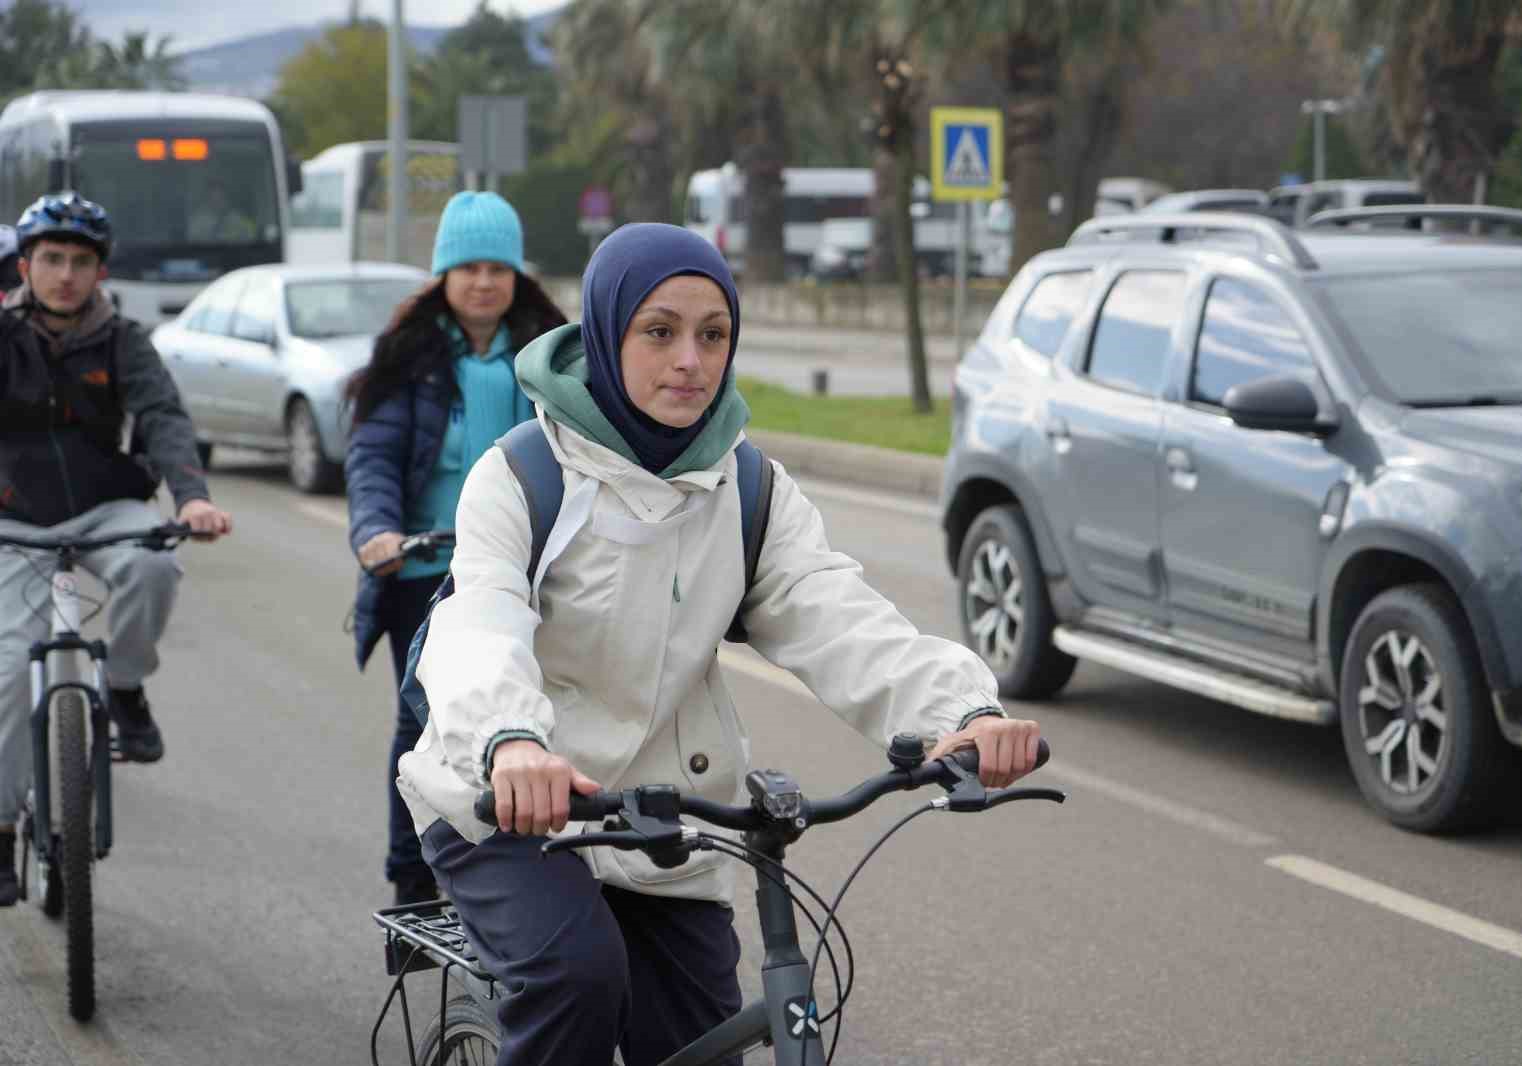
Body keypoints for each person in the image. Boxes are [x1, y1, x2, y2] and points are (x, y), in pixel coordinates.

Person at [395, 222, 1044, 1066]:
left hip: (667, 818)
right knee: (577, 980)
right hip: (513, 804)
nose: (690, 361)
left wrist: (962, 709)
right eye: (658, 332)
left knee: (705, 1040)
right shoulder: (524, 475)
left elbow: (835, 612)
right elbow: (480, 621)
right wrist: (509, 742)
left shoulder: (747, 486)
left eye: (713, 336)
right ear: (604, 331)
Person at [0, 192, 233, 907]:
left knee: (156, 562)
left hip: (107, 506)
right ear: (27, 265)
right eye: (51, 260)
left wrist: (190, 496)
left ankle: (125, 688)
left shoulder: (125, 340)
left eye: (80, 262)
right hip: (14, 520)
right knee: (9, 666)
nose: (65, 274)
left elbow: (163, 417)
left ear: (99, 271)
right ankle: (0, 822)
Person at [344, 190, 567, 908]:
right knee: (425, 730)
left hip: (528, 578)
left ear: (516, 276)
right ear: (441, 275)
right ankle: (413, 885)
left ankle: (523, 887)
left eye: (497, 267)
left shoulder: (554, 356)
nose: (482, 282)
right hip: (423, 573)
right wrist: (374, 530)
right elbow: (373, 457)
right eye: (466, 266)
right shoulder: (407, 358)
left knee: (529, 724)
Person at [187, 179, 255, 242]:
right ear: (207, 199)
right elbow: (192, 240)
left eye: (221, 198)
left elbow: (250, 236)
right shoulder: (198, 221)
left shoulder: (238, 218)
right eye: (214, 198)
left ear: (226, 199)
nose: (218, 202)